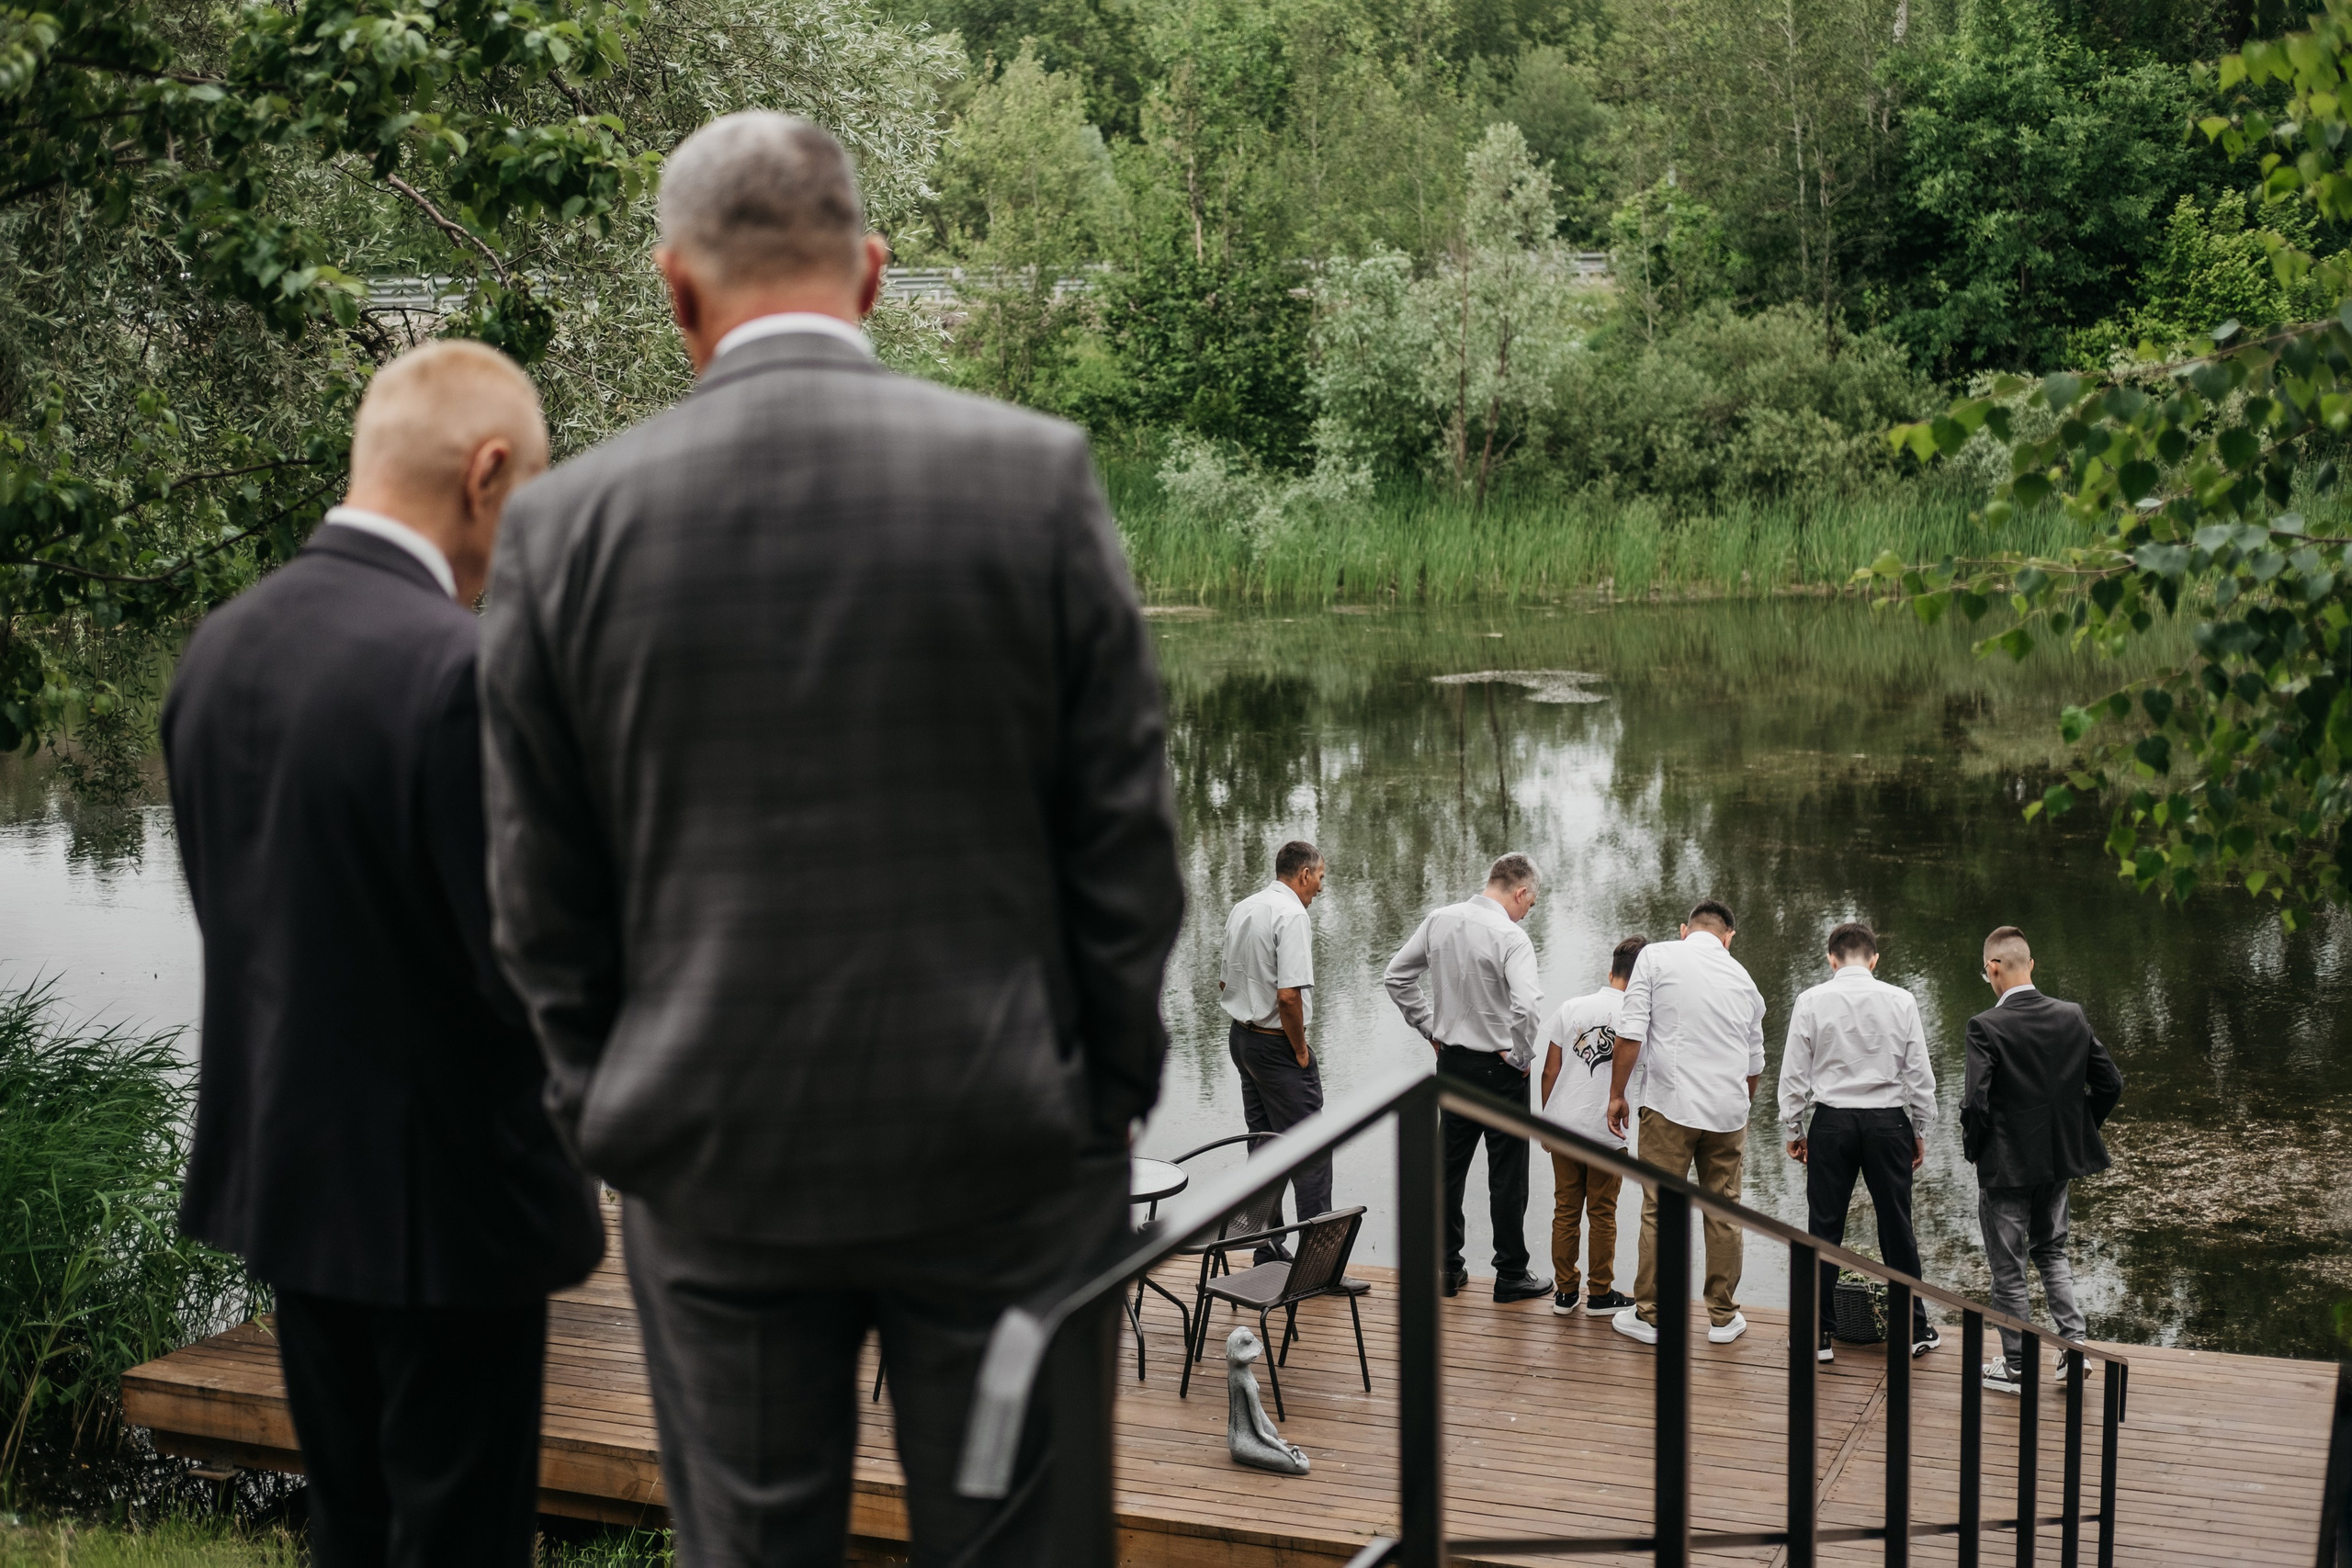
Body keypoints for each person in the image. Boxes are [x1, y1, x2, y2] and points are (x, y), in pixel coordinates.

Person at [477, 112, 1183, 1566]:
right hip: (1005, 1156)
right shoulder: (1033, 479)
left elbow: (541, 894)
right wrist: (1100, 1096)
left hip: (712, 1163)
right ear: (871, 274)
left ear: (676, 290)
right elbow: (1123, 842)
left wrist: (607, 1108)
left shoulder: (567, 528)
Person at [159, 342, 604, 1568]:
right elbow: (524, 969)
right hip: (449, 1204)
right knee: (460, 1536)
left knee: (350, 1522)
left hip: (295, 1185)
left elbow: (241, 920)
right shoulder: (458, 672)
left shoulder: (221, 651)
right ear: (489, 473)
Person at [1383, 853, 1551, 1303]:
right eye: (1529, 905)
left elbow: (1396, 976)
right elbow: (1529, 1006)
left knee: (1447, 1171)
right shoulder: (1511, 937)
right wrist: (1519, 1055)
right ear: (1520, 892)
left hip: (1452, 1065)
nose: (1526, 913)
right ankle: (1511, 1274)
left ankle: (1446, 1268)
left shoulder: (1439, 920)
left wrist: (1429, 1029)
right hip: (1500, 1071)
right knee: (1508, 1175)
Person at [1963, 926, 2124, 1395]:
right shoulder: (2071, 1016)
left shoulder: (1985, 1026)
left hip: (2007, 1168)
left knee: (2008, 1266)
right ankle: (2073, 1349)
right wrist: (2076, 1132)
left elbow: (1975, 1103)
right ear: (2029, 965)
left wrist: (1977, 1150)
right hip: (2057, 1163)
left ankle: (2016, 1368)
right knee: (2052, 1251)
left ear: (1994, 968)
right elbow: (2110, 1083)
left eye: (1985, 971)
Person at [1607, 899, 1765, 1347]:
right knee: (1724, 1208)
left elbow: (1632, 1030)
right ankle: (1723, 1317)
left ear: (1684, 930)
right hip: (1728, 1112)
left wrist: (1617, 1094)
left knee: (1660, 1207)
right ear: (1729, 937)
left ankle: (1652, 1316)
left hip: (1669, 1106)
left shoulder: (1656, 956)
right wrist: (1739, 1105)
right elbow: (1754, 1063)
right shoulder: (1745, 980)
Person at [1780, 921, 1939, 1363]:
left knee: (1824, 1228)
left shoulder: (1810, 1000)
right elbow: (1920, 1076)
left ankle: (1816, 1334)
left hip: (1831, 1123)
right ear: (1874, 959)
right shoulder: (1902, 1000)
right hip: (1888, 1122)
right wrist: (1921, 1129)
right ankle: (1912, 1330)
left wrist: (1794, 1129)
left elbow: (1794, 1075)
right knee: (1896, 1227)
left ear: (1831, 959)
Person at [1220, 840, 1330, 1259]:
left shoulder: (1244, 907)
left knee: (1265, 1145)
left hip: (1242, 1040)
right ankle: (1318, 1262)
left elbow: (1223, 983)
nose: (1321, 886)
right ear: (1303, 875)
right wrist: (1300, 1052)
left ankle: (1267, 1247)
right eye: (1320, 876)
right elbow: (1288, 998)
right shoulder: (1291, 915)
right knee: (1311, 1150)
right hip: (1276, 1045)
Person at [1535, 936, 1646, 1318]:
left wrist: (1546, 1121)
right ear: (1643, 976)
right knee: (1602, 1212)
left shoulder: (1571, 1008)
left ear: (1611, 970)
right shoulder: (1640, 1019)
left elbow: (1550, 1070)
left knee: (1565, 1209)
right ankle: (1600, 1294)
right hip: (1607, 1132)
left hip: (1564, 1125)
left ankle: (1565, 1294)